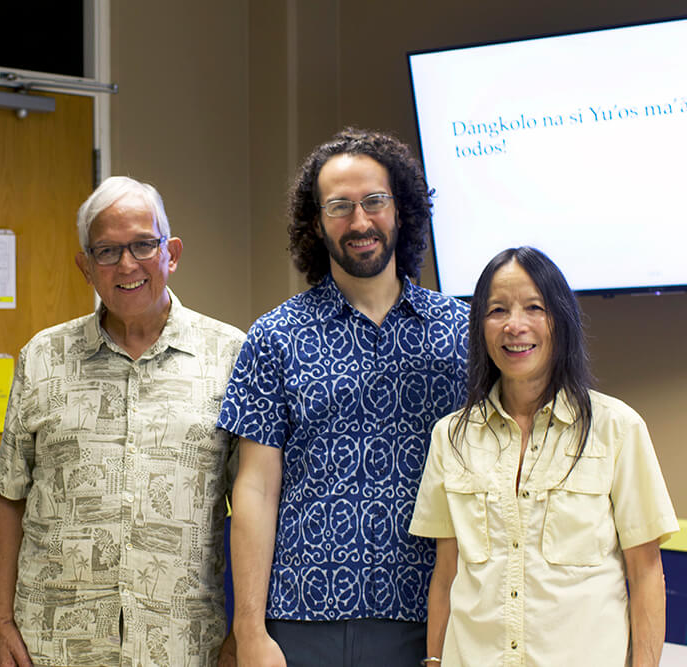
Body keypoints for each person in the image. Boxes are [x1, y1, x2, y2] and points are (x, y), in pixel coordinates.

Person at [217, 127, 470, 666]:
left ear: (401, 209)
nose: (360, 222)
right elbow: (256, 489)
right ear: (315, 223)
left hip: (435, 616)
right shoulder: (276, 336)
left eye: (374, 202)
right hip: (302, 622)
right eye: (339, 206)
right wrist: (249, 631)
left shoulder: (461, 333)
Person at [0, 176, 246, 667]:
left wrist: (245, 630)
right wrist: (1, 622)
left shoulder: (230, 355)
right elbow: (11, 493)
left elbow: (254, 507)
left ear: (171, 253)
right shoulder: (43, 357)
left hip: (183, 644)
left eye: (143, 245)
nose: (127, 265)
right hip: (53, 644)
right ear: (85, 267)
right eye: (106, 251)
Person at [410, 246, 678, 666]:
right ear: (480, 326)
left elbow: (645, 574)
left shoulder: (618, 429)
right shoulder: (451, 437)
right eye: (497, 310)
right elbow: (446, 574)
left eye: (534, 307)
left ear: (561, 321)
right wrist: (433, 661)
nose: (515, 326)